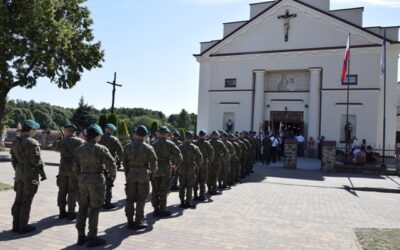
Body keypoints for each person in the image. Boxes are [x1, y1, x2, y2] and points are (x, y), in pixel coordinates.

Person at [73, 124, 116, 247]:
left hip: (83, 179)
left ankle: (81, 236)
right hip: (96, 180)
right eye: (99, 136)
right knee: (94, 209)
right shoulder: (101, 149)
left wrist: (79, 178)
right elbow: (111, 165)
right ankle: (92, 237)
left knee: (82, 208)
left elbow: (74, 167)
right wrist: (112, 175)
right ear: (96, 136)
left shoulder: (79, 148)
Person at [10, 119, 46, 234]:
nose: (35, 132)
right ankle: (23, 226)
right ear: (30, 130)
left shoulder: (16, 141)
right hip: (30, 173)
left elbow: (13, 159)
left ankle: (15, 225)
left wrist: (18, 169)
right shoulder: (32, 142)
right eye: (35, 130)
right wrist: (41, 166)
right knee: (26, 200)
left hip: (19, 172)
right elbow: (36, 161)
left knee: (18, 199)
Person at [123, 125, 157, 230]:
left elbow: (125, 163)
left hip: (131, 174)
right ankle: (139, 221)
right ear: (146, 135)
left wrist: (127, 174)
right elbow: (153, 164)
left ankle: (129, 221)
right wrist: (153, 173)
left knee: (130, 199)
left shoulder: (128, 146)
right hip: (143, 174)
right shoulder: (149, 147)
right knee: (141, 199)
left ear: (135, 134)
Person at [52, 124, 85, 220]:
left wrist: (59, 138)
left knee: (62, 191)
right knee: (73, 191)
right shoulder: (80, 141)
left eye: (64, 130)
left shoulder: (62, 141)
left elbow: (54, 147)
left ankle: (62, 211)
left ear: (67, 131)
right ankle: (71, 212)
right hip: (74, 170)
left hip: (63, 170)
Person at [151, 126, 183, 217]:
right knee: (164, 190)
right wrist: (176, 165)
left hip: (156, 169)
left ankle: (156, 209)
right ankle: (162, 209)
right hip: (166, 169)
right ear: (167, 133)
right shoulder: (170, 144)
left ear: (159, 133)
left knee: (155, 190)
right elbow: (179, 156)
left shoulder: (153, 144)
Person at [99, 123, 123, 209]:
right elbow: (120, 151)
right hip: (110, 163)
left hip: (99, 163)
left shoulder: (98, 137)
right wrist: (122, 161)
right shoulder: (114, 139)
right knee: (109, 184)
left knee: (99, 183)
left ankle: (99, 201)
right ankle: (107, 203)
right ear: (111, 130)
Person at [178, 131, 203, 208]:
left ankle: (182, 202)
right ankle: (188, 202)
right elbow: (200, 158)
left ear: (185, 137)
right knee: (189, 186)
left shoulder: (179, 146)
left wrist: (177, 165)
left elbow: (175, 157)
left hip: (182, 167)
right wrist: (198, 165)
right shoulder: (195, 147)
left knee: (182, 185)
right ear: (192, 138)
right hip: (191, 167)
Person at [194, 130, 214, 201]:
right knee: (202, 180)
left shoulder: (195, 142)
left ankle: (195, 195)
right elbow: (211, 152)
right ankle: (201, 195)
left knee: (196, 180)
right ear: (204, 135)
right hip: (204, 163)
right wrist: (210, 161)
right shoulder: (207, 143)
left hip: (196, 163)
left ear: (199, 135)